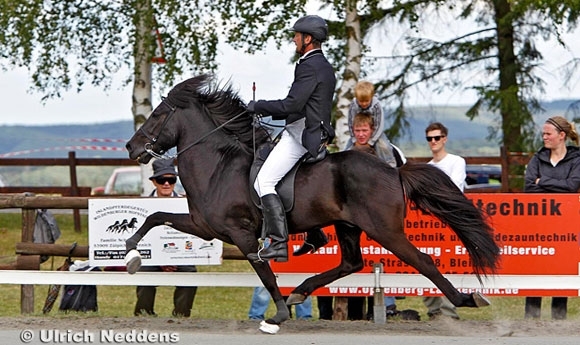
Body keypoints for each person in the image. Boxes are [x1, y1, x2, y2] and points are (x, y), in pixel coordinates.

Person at [246, 15, 336, 262]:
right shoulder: (323, 65)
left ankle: (278, 242)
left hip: (301, 135)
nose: (294, 39)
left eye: (297, 35)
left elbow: (291, 104)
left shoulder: (310, 66)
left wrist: (257, 106)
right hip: (310, 129)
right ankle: (315, 233)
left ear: (308, 39)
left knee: (264, 181)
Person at [523, 115, 580, 320]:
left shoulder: (577, 160)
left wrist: (542, 181)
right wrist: (556, 186)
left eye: (548, 134)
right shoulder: (537, 159)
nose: (544, 137)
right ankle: (531, 318)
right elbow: (529, 188)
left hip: (565, 225)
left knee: (560, 268)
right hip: (538, 224)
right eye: (543, 134)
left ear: (561, 135)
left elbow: (572, 187)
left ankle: (559, 319)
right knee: (536, 267)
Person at [134, 158, 198, 317]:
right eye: (162, 180)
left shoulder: (187, 203)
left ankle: (181, 314)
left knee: (190, 274)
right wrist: (160, 258)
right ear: (154, 182)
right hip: (150, 256)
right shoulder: (141, 205)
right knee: (144, 275)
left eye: (171, 179)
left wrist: (174, 257)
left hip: (181, 254)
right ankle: (144, 313)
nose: (167, 184)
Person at [424, 122, 463, 320]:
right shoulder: (428, 167)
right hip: (429, 222)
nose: (433, 142)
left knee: (447, 265)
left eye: (437, 138)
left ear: (444, 139)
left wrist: (433, 194)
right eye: (429, 138)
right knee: (426, 263)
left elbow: (455, 189)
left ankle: (448, 311)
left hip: (450, 219)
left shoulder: (456, 162)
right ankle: (434, 310)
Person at [346, 81, 398, 167]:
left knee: (383, 145)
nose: (363, 104)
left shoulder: (376, 105)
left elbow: (379, 125)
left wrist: (371, 141)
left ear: (371, 97)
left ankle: (390, 164)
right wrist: (354, 139)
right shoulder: (353, 105)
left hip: (375, 131)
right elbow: (351, 122)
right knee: (346, 149)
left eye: (366, 101)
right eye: (361, 101)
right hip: (358, 128)